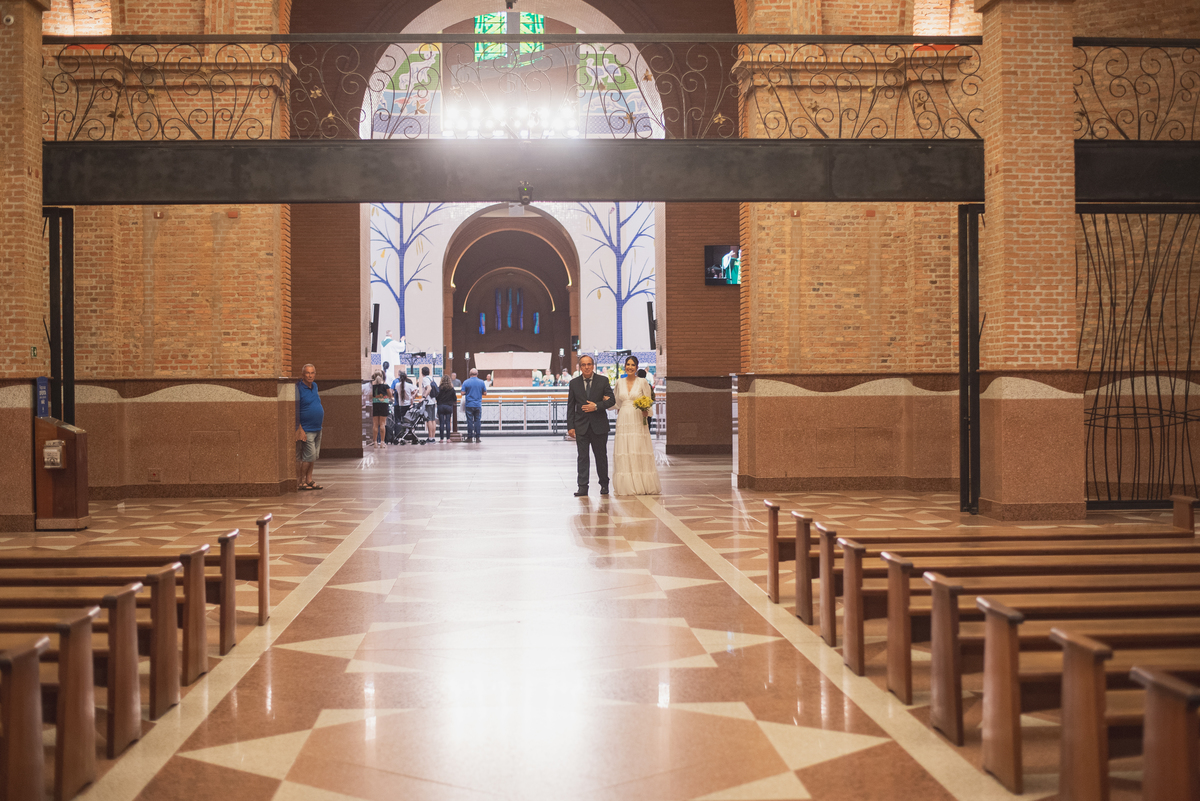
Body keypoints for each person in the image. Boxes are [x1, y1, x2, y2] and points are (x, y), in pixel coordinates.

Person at [611, 355, 661, 496]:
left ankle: (642, 483)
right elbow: (616, 403)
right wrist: (602, 402)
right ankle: (627, 485)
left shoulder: (642, 382)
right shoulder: (619, 382)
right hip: (624, 418)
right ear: (625, 366)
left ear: (636, 367)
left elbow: (648, 399)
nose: (630, 367)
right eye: (628, 364)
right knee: (625, 450)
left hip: (638, 419)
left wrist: (647, 411)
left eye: (633, 365)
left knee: (637, 448)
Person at [567, 354, 615, 497]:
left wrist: (597, 406)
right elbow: (570, 406)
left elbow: (611, 401)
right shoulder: (574, 383)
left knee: (601, 456)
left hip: (599, 426)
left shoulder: (603, 381)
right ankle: (582, 486)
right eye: (583, 365)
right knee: (582, 457)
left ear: (593, 366)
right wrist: (570, 426)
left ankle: (604, 484)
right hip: (581, 426)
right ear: (580, 367)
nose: (586, 367)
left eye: (589, 364)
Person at [295, 363, 324, 490]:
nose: (310, 375)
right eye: (307, 373)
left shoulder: (315, 386)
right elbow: (294, 410)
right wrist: (299, 428)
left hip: (317, 427)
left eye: (312, 373)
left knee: (313, 457)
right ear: (303, 374)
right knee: (308, 456)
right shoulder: (297, 388)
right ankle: (300, 481)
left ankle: (309, 479)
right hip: (306, 428)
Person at [461, 368, 486, 443]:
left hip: (469, 404)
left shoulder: (466, 382)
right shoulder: (481, 382)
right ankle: (478, 437)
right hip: (478, 404)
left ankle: (470, 437)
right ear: (477, 374)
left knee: (469, 421)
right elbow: (485, 393)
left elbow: (462, 393)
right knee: (477, 421)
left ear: (469, 374)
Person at [369, 369, 391, 448]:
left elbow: (370, 396)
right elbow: (390, 395)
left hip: (375, 405)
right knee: (382, 424)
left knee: (375, 424)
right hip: (383, 405)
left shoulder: (372, 386)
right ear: (382, 376)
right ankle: (382, 442)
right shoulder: (386, 386)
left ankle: (375, 442)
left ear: (374, 376)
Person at [418, 366, 438, 443]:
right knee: (433, 419)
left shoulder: (425, 379)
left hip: (428, 401)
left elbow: (429, 388)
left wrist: (423, 397)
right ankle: (432, 437)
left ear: (422, 373)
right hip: (433, 401)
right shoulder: (432, 378)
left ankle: (430, 437)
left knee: (429, 419)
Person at [435, 374, 457, 442]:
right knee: (448, 422)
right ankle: (448, 438)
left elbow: (437, 397)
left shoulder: (439, 388)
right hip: (448, 406)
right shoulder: (451, 389)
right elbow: (455, 398)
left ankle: (441, 439)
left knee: (441, 423)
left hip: (441, 406)